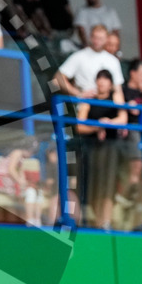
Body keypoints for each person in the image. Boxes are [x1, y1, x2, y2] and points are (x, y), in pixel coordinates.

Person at [75, 69, 126, 230]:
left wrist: (107, 122)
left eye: (105, 79)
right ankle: (91, 219)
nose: (102, 82)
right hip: (90, 148)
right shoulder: (89, 99)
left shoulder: (115, 97)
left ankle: (105, 221)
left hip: (110, 148)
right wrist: (96, 128)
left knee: (108, 185)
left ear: (111, 83)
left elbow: (123, 118)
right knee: (92, 183)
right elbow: (79, 125)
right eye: (99, 79)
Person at [54, 25, 123, 98]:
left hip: (105, 104)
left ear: (106, 39)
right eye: (95, 37)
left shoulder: (113, 60)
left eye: (101, 38)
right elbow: (57, 79)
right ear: (90, 37)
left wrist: (121, 109)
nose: (97, 41)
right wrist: (78, 94)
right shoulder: (79, 56)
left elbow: (118, 90)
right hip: (83, 103)